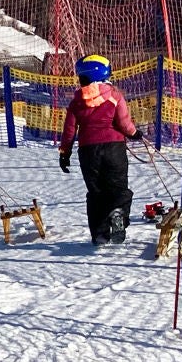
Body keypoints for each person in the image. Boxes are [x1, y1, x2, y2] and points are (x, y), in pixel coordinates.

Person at [58, 54, 145, 245]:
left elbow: (70, 130)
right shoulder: (114, 95)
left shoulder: (76, 102)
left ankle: (100, 233)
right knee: (118, 187)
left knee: (96, 192)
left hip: (88, 151)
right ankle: (119, 213)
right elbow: (124, 124)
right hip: (114, 148)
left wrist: (65, 153)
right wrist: (134, 133)